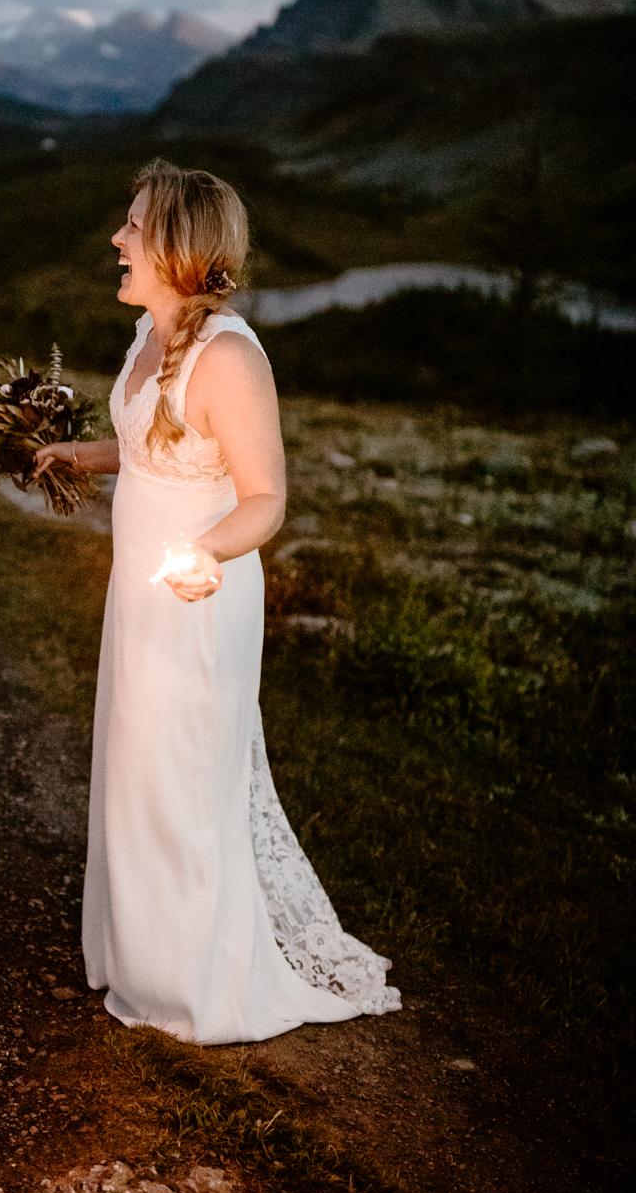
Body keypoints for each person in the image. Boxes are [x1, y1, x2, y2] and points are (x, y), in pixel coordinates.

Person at [34, 159, 400, 1043]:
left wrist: (201, 550)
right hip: (141, 595)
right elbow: (163, 449)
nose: (117, 241)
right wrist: (82, 456)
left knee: (185, 775)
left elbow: (264, 497)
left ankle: (195, 978)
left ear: (177, 248)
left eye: (133, 228)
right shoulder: (152, 336)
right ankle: (141, 954)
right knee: (136, 763)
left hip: (198, 593)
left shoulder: (229, 355)